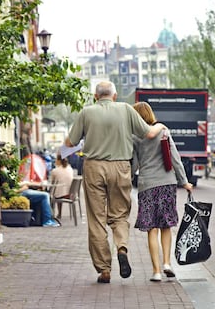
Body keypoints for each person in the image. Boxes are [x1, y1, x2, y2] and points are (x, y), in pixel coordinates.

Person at [64, 81, 166, 283]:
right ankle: (122, 247)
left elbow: (70, 143)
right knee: (119, 214)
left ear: (95, 96)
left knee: (96, 218)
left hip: (94, 167)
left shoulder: (86, 112)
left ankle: (104, 269)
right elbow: (149, 133)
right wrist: (161, 125)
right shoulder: (126, 109)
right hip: (120, 166)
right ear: (115, 95)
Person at [131, 102, 193, 282]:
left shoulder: (135, 138)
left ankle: (156, 271)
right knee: (166, 226)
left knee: (152, 228)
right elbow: (175, 159)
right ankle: (167, 263)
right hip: (167, 184)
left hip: (147, 185)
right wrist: (184, 182)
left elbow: (134, 165)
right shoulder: (164, 132)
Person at [50, 154, 74, 219]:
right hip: (71, 194)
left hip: (60, 195)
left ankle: (51, 214)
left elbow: (52, 183)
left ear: (58, 161)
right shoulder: (70, 169)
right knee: (60, 190)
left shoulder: (55, 171)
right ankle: (58, 213)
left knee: (50, 195)